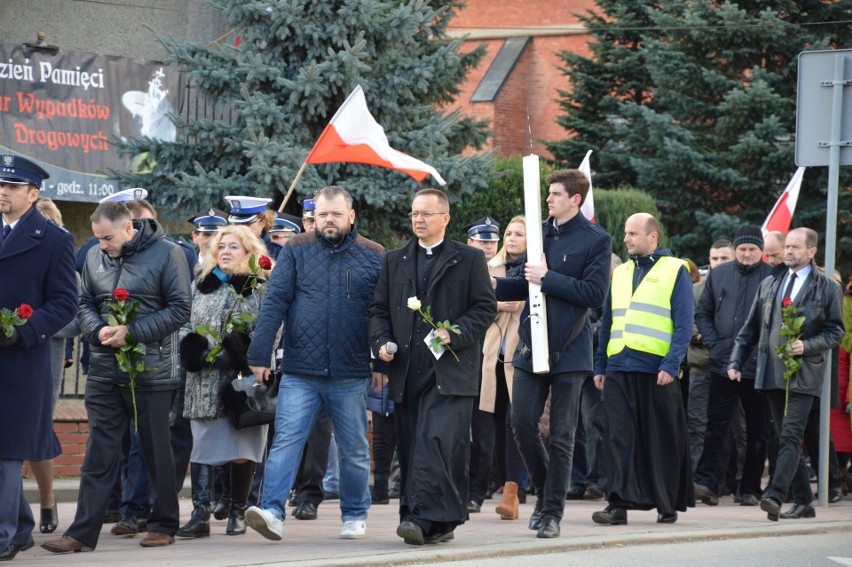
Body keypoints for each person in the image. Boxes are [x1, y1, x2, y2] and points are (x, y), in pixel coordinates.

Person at [42, 201, 192, 553]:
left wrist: (133, 332)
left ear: (129, 228)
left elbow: (180, 308)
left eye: (107, 238)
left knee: (156, 449)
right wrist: (98, 331)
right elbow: (84, 302)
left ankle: (163, 523)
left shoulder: (168, 254)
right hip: (104, 370)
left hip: (152, 371)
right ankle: (81, 532)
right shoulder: (94, 256)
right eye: (97, 238)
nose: (102, 245)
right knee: (99, 452)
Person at [244, 185, 384, 541]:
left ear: (351, 216)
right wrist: (259, 354)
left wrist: (383, 364)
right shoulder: (296, 249)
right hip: (300, 370)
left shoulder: (374, 255)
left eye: (336, 214)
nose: (328, 220)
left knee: (353, 448)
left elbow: (382, 315)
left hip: (351, 372)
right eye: (322, 214)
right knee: (286, 441)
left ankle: (354, 514)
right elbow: (275, 301)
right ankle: (273, 512)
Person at [370, 188, 497, 546]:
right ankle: (441, 521)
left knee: (436, 441)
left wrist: (454, 334)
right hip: (408, 371)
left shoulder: (469, 259)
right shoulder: (394, 259)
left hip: (451, 371)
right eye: (414, 214)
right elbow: (378, 310)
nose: (418, 220)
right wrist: (381, 343)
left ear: (445, 218)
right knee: (411, 447)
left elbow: (484, 309)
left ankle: (419, 519)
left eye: (426, 214)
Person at [494, 169, 612, 538]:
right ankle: (545, 489)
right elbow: (524, 281)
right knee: (522, 423)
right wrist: (490, 284)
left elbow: (594, 294)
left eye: (556, 194)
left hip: (570, 351)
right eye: (548, 194)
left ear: (575, 199)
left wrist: (547, 278)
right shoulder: (541, 231)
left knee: (562, 435)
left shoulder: (596, 240)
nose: (549, 199)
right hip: (531, 347)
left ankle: (552, 513)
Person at [729, 227, 844, 521]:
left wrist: (807, 345)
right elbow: (750, 329)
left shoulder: (827, 287)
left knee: (791, 435)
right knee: (783, 436)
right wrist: (735, 361)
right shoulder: (770, 283)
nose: (789, 251)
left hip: (804, 374)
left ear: (811, 252)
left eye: (795, 247)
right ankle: (804, 500)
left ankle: (775, 495)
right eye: (787, 246)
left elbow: (836, 331)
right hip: (771, 372)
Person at [592, 213, 694, 526]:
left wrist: (672, 363)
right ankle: (618, 504)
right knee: (617, 438)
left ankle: (666, 504)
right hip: (619, 366)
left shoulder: (675, 269)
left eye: (633, 233)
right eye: (625, 232)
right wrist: (601, 365)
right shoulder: (620, 272)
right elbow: (608, 322)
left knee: (660, 437)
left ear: (653, 236)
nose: (626, 238)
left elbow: (683, 323)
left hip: (656, 369)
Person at [0, 155, 77, 562]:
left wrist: (22, 331)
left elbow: (66, 302)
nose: (2, 192)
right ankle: (22, 529)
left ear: (33, 194)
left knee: (7, 446)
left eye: (12, 187)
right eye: (0, 185)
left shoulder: (53, 239)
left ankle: (2, 534)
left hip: (20, 359)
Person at [178, 225, 273, 537]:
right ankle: (200, 514)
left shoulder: (257, 287)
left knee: (242, 445)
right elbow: (184, 323)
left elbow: (269, 329)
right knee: (203, 447)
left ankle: (237, 511)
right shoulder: (201, 286)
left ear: (248, 253)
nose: (226, 252)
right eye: (221, 247)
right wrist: (196, 352)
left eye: (234, 247)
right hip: (203, 381)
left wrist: (240, 352)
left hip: (240, 382)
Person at [693, 226, 774, 507]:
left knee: (757, 430)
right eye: (742, 249)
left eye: (753, 249)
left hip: (757, 367)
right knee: (716, 426)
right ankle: (707, 484)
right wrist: (715, 344)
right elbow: (702, 312)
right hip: (721, 364)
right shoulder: (719, 275)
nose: (747, 254)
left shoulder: (773, 277)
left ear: (761, 251)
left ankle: (749, 488)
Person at [484, 216, 527, 520]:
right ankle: (506, 486)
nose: (511, 238)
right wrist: (498, 305)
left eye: (519, 234)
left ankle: (513, 490)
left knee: (517, 423)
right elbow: (471, 306)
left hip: (521, 357)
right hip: (491, 357)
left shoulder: (537, 270)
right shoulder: (488, 269)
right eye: (508, 233)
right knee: (497, 424)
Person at [464, 215, 503, 514]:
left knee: (487, 430)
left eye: (492, 240)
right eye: (482, 240)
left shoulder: (508, 270)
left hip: (497, 359)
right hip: (468, 356)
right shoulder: (463, 267)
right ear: (470, 242)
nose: (488, 245)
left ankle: (482, 489)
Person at [687, 239, 734, 470]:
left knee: (733, 428)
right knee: (696, 424)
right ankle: (695, 478)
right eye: (714, 258)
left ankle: (731, 482)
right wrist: (704, 336)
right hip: (701, 365)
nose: (718, 263)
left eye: (724, 258)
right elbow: (686, 322)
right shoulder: (695, 290)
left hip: (734, 367)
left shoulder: (742, 289)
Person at [225, 195, 282, 260]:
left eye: (246, 224)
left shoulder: (278, 252)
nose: (240, 228)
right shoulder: (224, 250)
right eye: (236, 223)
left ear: (262, 222)